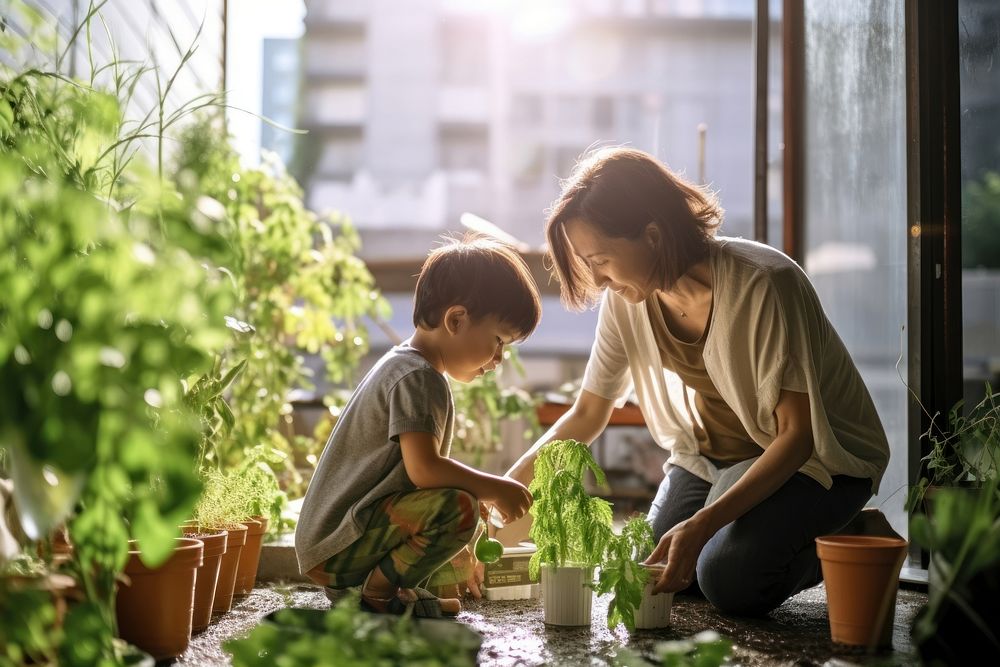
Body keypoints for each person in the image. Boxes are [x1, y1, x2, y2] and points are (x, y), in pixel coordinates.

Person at [505, 146, 891, 616]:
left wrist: (704, 523)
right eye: (588, 265)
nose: (598, 280)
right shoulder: (628, 302)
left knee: (729, 580)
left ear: (651, 234)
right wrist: (505, 487)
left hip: (815, 465)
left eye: (601, 259)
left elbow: (796, 437)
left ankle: (856, 538)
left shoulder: (763, 284)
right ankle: (746, 531)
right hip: (708, 461)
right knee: (661, 573)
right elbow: (588, 413)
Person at [296, 233, 539, 618]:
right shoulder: (417, 377)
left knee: (462, 526)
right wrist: (495, 488)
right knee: (459, 508)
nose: (498, 359)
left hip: (339, 539)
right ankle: (378, 595)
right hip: (339, 543)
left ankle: (374, 594)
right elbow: (425, 471)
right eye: (498, 341)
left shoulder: (408, 367)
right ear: (456, 319)